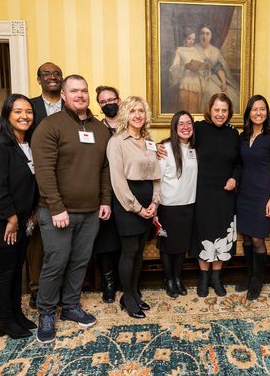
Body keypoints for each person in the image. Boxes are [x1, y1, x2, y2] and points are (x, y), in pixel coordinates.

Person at [32, 74, 112, 343]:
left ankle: (70, 307)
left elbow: (104, 168)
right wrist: (56, 207)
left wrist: (105, 201)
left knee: (79, 262)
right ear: (64, 95)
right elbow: (43, 170)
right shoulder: (50, 126)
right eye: (74, 91)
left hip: (90, 212)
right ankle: (45, 312)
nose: (80, 95)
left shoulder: (100, 129)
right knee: (56, 263)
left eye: (84, 91)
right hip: (57, 212)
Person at [0, 94, 39, 338]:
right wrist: (11, 219)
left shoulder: (27, 143)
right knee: (4, 273)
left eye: (29, 112)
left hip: (22, 221)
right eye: (18, 112)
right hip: (2, 223)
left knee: (16, 270)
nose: (25, 116)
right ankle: (4, 321)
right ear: (7, 115)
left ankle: (16, 314)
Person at [107, 96, 161, 317]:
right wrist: (138, 208)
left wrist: (155, 202)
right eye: (133, 111)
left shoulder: (150, 141)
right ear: (125, 115)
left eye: (141, 111)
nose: (138, 115)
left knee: (139, 252)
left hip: (149, 202)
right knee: (129, 252)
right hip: (128, 203)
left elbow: (157, 175)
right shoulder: (117, 141)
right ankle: (127, 297)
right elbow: (117, 181)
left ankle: (134, 292)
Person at [235, 95, 270, 301]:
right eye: (254, 109)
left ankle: (258, 279)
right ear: (248, 113)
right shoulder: (242, 137)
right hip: (244, 194)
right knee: (246, 236)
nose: (258, 113)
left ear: (267, 112)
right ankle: (249, 275)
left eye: (262, 109)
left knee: (257, 239)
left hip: (263, 194)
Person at [194, 93, 240, 297]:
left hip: (225, 193)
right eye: (216, 110)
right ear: (209, 110)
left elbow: (240, 162)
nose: (220, 114)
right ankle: (203, 278)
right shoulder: (199, 129)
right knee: (204, 233)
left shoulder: (233, 134)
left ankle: (216, 278)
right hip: (202, 192)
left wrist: (234, 178)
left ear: (229, 112)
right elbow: (180, 141)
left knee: (222, 234)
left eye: (224, 110)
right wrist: (161, 147)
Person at [26, 62, 64, 309]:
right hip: (36, 179)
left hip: (68, 179)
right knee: (37, 235)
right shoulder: (30, 108)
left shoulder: (71, 106)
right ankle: (36, 288)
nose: (52, 77)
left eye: (57, 73)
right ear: (38, 79)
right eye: (46, 74)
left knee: (64, 235)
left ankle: (62, 287)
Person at [157, 111, 198, 298]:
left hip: (188, 204)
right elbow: (156, 180)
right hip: (168, 206)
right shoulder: (164, 149)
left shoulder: (196, 148)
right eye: (181, 123)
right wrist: (155, 205)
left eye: (189, 123)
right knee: (167, 246)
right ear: (174, 127)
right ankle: (169, 279)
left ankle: (178, 277)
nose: (185, 127)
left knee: (181, 246)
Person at [94, 85, 122, 303]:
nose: (108, 104)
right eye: (103, 102)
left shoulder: (131, 124)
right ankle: (109, 284)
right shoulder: (95, 128)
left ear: (119, 100)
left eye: (111, 100)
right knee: (106, 241)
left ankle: (126, 281)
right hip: (104, 192)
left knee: (126, 238)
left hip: (128, 192)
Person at [191, 24, 240, 112]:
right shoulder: (194, 48)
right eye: (202, 33)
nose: (204, 36)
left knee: (231, 94)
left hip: (211, 78)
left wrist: (224, 82)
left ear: (211, 36)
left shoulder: (215, 51)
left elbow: (218, 68)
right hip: (196, 77)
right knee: (211, 93)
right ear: (198, 35)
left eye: (207, 34)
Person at [169, 27, 202, 113]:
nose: (191, 41)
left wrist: (203, 66)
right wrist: (184, 67)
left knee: (195, 109)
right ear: (184, 38)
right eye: (189, 39)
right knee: (184, 109)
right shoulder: (179, 50)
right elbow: (174, 68)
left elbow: (200, 63)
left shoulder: (195, 50)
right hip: (185, 82)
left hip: (196, 82)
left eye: (193, 39)